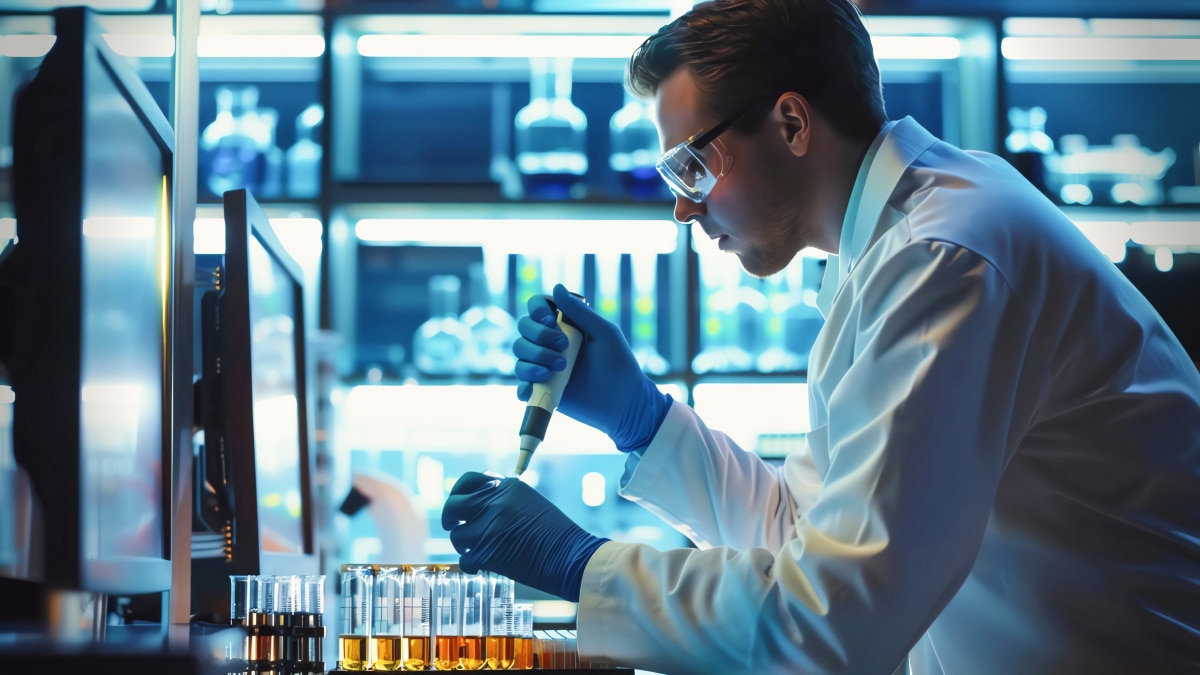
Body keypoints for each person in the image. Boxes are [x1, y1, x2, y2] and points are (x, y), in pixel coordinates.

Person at [441, 0, 1200, 672]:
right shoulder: (889, 248)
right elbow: (802, 533)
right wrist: (642, 419)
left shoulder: (946, 259)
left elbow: (829, 622)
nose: (683, 209)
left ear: (793, 123)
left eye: (692, 167)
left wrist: (581, 563)